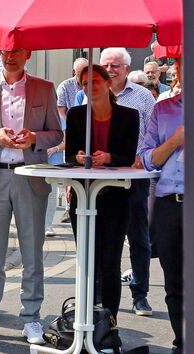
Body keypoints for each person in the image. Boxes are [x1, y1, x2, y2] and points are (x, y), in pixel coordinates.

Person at [0, 47, 61, 344]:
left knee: (32, 251)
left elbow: (56, 133)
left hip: (29, 175)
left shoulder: (44, 88)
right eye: (6, 51)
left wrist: (34, 138)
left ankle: (31, 318)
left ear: (27, 53)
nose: (10, 56)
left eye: (16, 51)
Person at [82, 48, 158, 317]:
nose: (110, 70)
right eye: (105, 65)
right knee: (100, 240)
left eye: (115, 65)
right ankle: (100, 298)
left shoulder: (143, 96)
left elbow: (152, 134)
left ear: (127, 68)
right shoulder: (88, 93)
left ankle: (140, 295)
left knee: (138, 237)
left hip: (132, 176)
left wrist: (142, 160)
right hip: (95, 180)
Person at [64, 66, 139, 319]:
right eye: (84, 83)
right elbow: (68, 156)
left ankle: (110, 322)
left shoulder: (129, 115)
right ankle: (85, 319)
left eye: (95, 81)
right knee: (86, 262)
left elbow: (128, 157)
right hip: (83, 195)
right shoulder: (76, 115)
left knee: (110, 263)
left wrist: (108, 157)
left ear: (108, 83)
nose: (90, 86)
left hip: (115, 197)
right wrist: (77, 157)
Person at [137, 71, 183, 354]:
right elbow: (145, 159)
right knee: (174, 281)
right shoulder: (163, 109)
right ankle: (182, 341)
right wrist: (175, 141)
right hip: (170, 205)